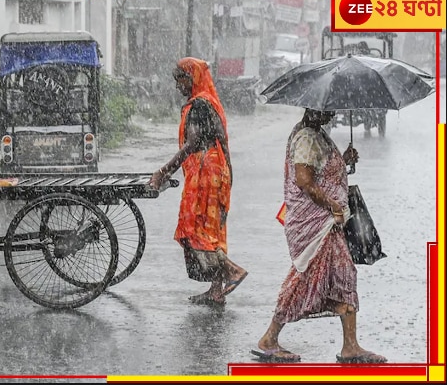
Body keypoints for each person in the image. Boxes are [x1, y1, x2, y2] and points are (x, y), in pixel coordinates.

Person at [253, 109, 387, 363]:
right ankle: (270, 338)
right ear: (314, 108)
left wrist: (344, 162)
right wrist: (332, 205)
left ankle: (350, 345)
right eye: (328, 109)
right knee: (307, 277)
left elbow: (321, 171)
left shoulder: (317, 134)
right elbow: (305, 180)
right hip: (316, 223)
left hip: (328, 223)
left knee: (342, 274)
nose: (332, 114)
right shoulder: (307, 137)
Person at [149, 57, 248, 307]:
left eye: (180, 80)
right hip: (217, 169)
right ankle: (216, 290)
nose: (177, 86)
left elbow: (191, 144)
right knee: (211, 228)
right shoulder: (210, 102)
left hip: (206, 171)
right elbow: (223, 144)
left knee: (195, 228)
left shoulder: (199, 106)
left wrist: (164, 171)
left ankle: (232, 272)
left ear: (191, 78)